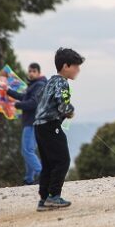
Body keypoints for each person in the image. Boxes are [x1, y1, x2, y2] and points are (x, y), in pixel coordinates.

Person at [33, 48, 84, 211]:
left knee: (48, 163)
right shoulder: (62, 82)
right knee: (62, 160)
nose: (78, 70)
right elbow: (63, 103)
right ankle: (54, 196)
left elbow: (38, 98)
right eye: (76, 66)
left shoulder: (50, 81)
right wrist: (70, 110)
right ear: (65, 66)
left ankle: (44, 199)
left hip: (39, 126)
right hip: (50, 125)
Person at [7, 63, 47, 185]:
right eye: (29, 71)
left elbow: (33, 103)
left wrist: (16, 105)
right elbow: (24, 97)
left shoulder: (39, 85)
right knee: (29, 150)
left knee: (27, 151)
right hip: (31, 122)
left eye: (34, 71)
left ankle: (42, 174)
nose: (31, 73)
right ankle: (29, 179)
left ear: (39, 73)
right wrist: (8, 91)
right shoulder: (34, 85)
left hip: (32, 122)